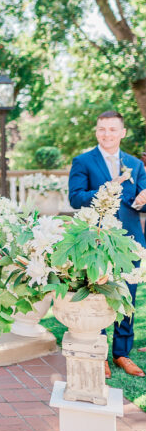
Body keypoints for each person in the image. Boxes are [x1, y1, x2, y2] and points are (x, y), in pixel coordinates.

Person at [68, 111, 146, 378]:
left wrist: (142, 200)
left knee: (127, 297)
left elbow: (141, 200)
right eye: (102, 129)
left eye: (113, 129)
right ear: (96, 132)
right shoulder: (82, 161)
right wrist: (107, 188)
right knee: (98, 296)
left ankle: (122, 353)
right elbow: (76, 198)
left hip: (129, 241)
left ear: (122, 132)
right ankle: (99, 352)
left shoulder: (135, 164)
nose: (107, 134)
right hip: (97, 241)